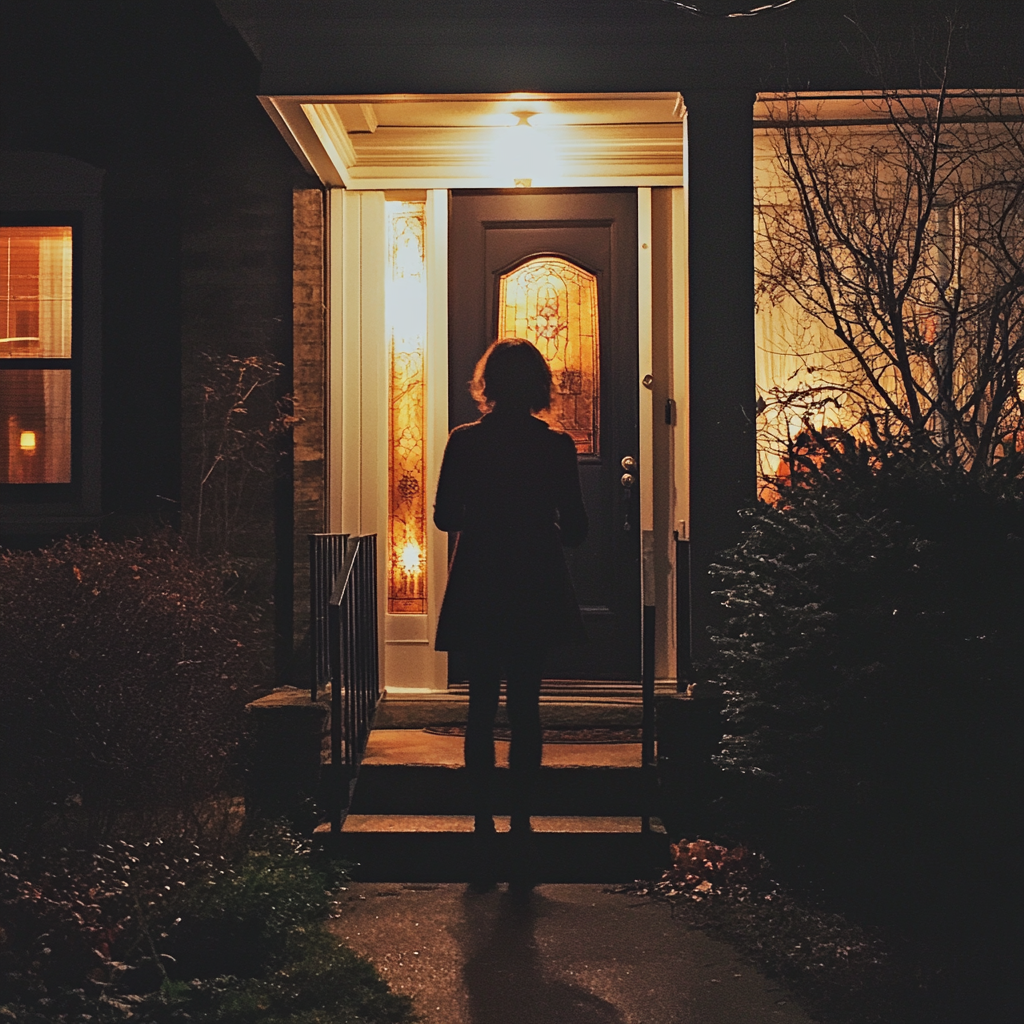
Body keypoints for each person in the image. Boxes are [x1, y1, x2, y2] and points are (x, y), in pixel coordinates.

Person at [433, 338, 588, 872]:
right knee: (525, 707)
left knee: (479, 708)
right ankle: (521, 827)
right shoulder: (556, 445)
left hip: (480, 579)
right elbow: (578, 531)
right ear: (538, 386)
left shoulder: (465, 442)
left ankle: (482, 828)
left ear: (488, 385)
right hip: (534, 580)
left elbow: (446, 518)